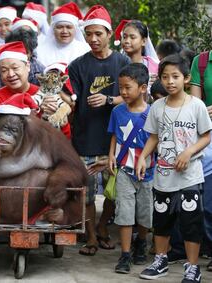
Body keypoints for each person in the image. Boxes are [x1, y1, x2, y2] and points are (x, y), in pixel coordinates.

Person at [136, 54, 212, 282]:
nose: (170, 81)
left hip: (190, 176)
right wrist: (143, 157)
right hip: (163, 176)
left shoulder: (196, 105)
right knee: (162, 222)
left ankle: (192, 267)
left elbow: (206, 137)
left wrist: (188, 152)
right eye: (165, 77)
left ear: (187, 78)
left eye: (175, 77)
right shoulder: (157, 107)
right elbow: (154, 137)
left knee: (191, 223)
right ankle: (161, 260)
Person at [68, 5, 130, 256]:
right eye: (89, 34)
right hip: (86, 139)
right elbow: (71, 100)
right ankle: (91, 236)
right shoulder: (77, 66)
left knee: (115, 193)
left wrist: (109, 100)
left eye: (99, 34)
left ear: (108, 34)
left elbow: (136, 96)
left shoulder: (123, 62)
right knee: (87, 195)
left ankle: (104, 226)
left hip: (117, 141)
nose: (93, 39)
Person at [107, 63, 154, 274]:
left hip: (148, 172)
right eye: (121, 87)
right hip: (124, 171)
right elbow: (115, 135)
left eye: (128, 87)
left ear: (143, 88)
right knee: (124, 212)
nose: (123, 92)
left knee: (145, 212)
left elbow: (157, 140)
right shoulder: (117, 111)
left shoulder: (154, 113)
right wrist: (110, 155)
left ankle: (141, 242)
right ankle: (125, 255)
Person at [190, 49, 212, 272]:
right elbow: (195, 107)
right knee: (207, 202)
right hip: (208, 136)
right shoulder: (202, 62)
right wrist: (205, 112)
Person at [36, 2, 90, 67]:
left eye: (68, 27)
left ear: (75, 30)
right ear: (53, 29)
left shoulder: (85, 50)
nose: (64, 31)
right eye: (60, 27)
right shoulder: (40, 51)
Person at [115, 20, 159, 91]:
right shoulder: (115, 64)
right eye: (124, 37)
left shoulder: (154, 66)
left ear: (144, 41)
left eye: (132, 37)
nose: (127, 41)